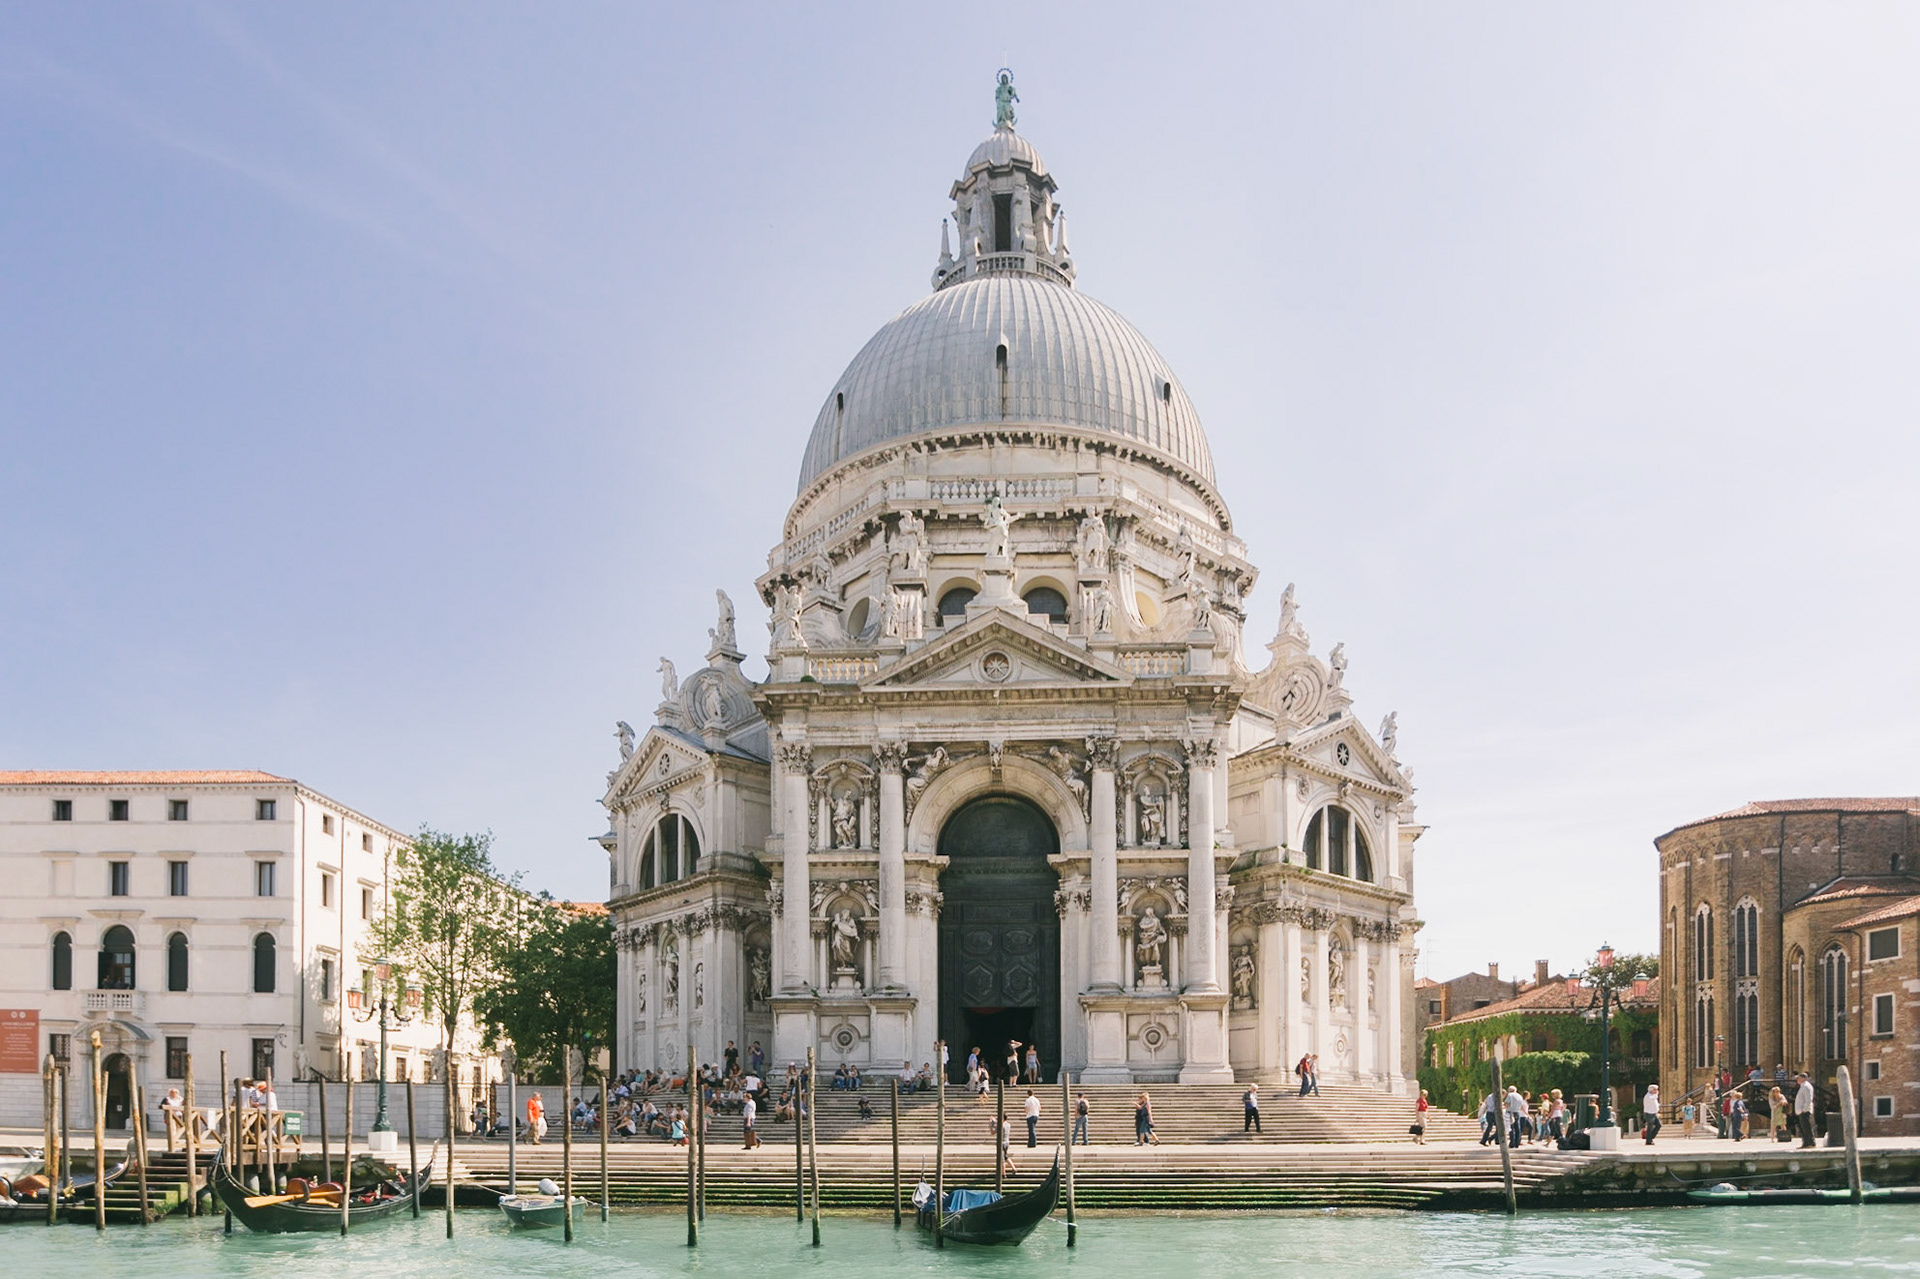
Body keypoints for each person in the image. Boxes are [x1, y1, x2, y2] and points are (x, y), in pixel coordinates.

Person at [1793, 1072, 1817, 1148]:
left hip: (1805, 1111)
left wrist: (1804, 1110)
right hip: (1801, 1111)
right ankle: (1806, 1143)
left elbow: (1808, 1099)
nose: (1797, 1080)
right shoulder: (1803, 1086)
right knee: (1803, 1128)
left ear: (1803, 1078)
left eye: (1799, 1078)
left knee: (1807, 1128)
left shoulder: (1806, 1086)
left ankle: (1810, 1142)